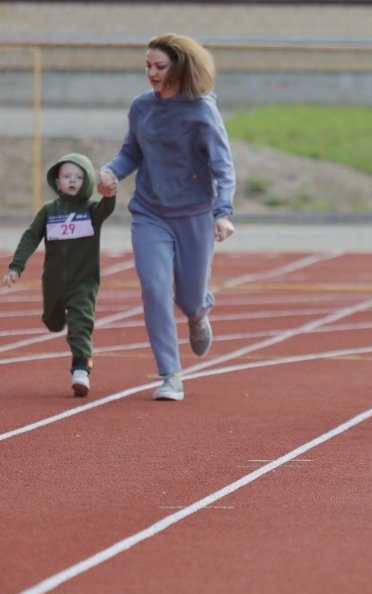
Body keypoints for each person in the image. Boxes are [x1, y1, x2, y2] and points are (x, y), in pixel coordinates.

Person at [97, 32, 236, 401]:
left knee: (188, 298)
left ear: (179, 66)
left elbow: (223, 167)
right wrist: (111, 173)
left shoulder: (202, 110)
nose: (152, 73)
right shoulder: (141, 107)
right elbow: (131, 152)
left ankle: (197, 314)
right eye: (148, 66)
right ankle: (170, 375)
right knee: (155, 289)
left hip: (194, 215)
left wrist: (222, 213)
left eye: (159, 66)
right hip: (150, 213)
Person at [4, 153, 117, 397]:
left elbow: (107, 207)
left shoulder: (91, 211)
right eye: (67, 176)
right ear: (57, 182)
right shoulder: (49, 211)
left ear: (86, 182)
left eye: (78, 176)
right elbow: (31, 236)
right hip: (53, 281)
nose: (72, 180)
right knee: (53, 321)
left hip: (83, 282)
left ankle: (80, 369)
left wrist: (109, 193)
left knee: (79, 324)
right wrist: (16, 266)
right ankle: (57, 318)